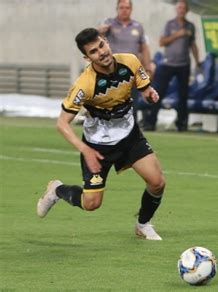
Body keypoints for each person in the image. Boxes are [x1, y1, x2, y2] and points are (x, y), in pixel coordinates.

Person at [36, 28, 165, 241]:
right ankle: (57, 190)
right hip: (97, 146)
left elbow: (144, 88)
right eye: (94, 51)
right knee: (91, 204)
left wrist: (149, 94)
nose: (101, 53)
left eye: (102, 45)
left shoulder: (130, 61)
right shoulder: (84, 84)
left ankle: (142, 224)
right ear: (87, 57)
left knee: (157, 182)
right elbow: (62, 123)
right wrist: (85, 149)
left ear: (106, 41)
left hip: (129, 136)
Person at [143, 0, 200, 132]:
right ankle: (151, 122)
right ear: (176, 9)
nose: (181, 10)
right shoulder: (170, 25)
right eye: (179, 7)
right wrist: (177, 34)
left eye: (183, 8)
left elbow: (192, 44)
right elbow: (162, 42)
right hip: (168, 64)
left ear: (186, 10)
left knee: (183, 95)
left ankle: (182, 123)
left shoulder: (190, 26)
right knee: (158, 92)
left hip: (184, 65)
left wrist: (197, 61)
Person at [98, 0, 152, 122]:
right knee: (110, 101)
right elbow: (98, 38)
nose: (124, 10)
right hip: (112, 70)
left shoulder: (138, 27)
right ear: (117, 9)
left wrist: (148, 68)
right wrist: (101, 30)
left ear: (131, 9)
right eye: (121, 7)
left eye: (127, 7)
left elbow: (144, 48)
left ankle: (132, 131)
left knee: (132, 103)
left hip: (132, 71)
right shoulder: (109, 23)